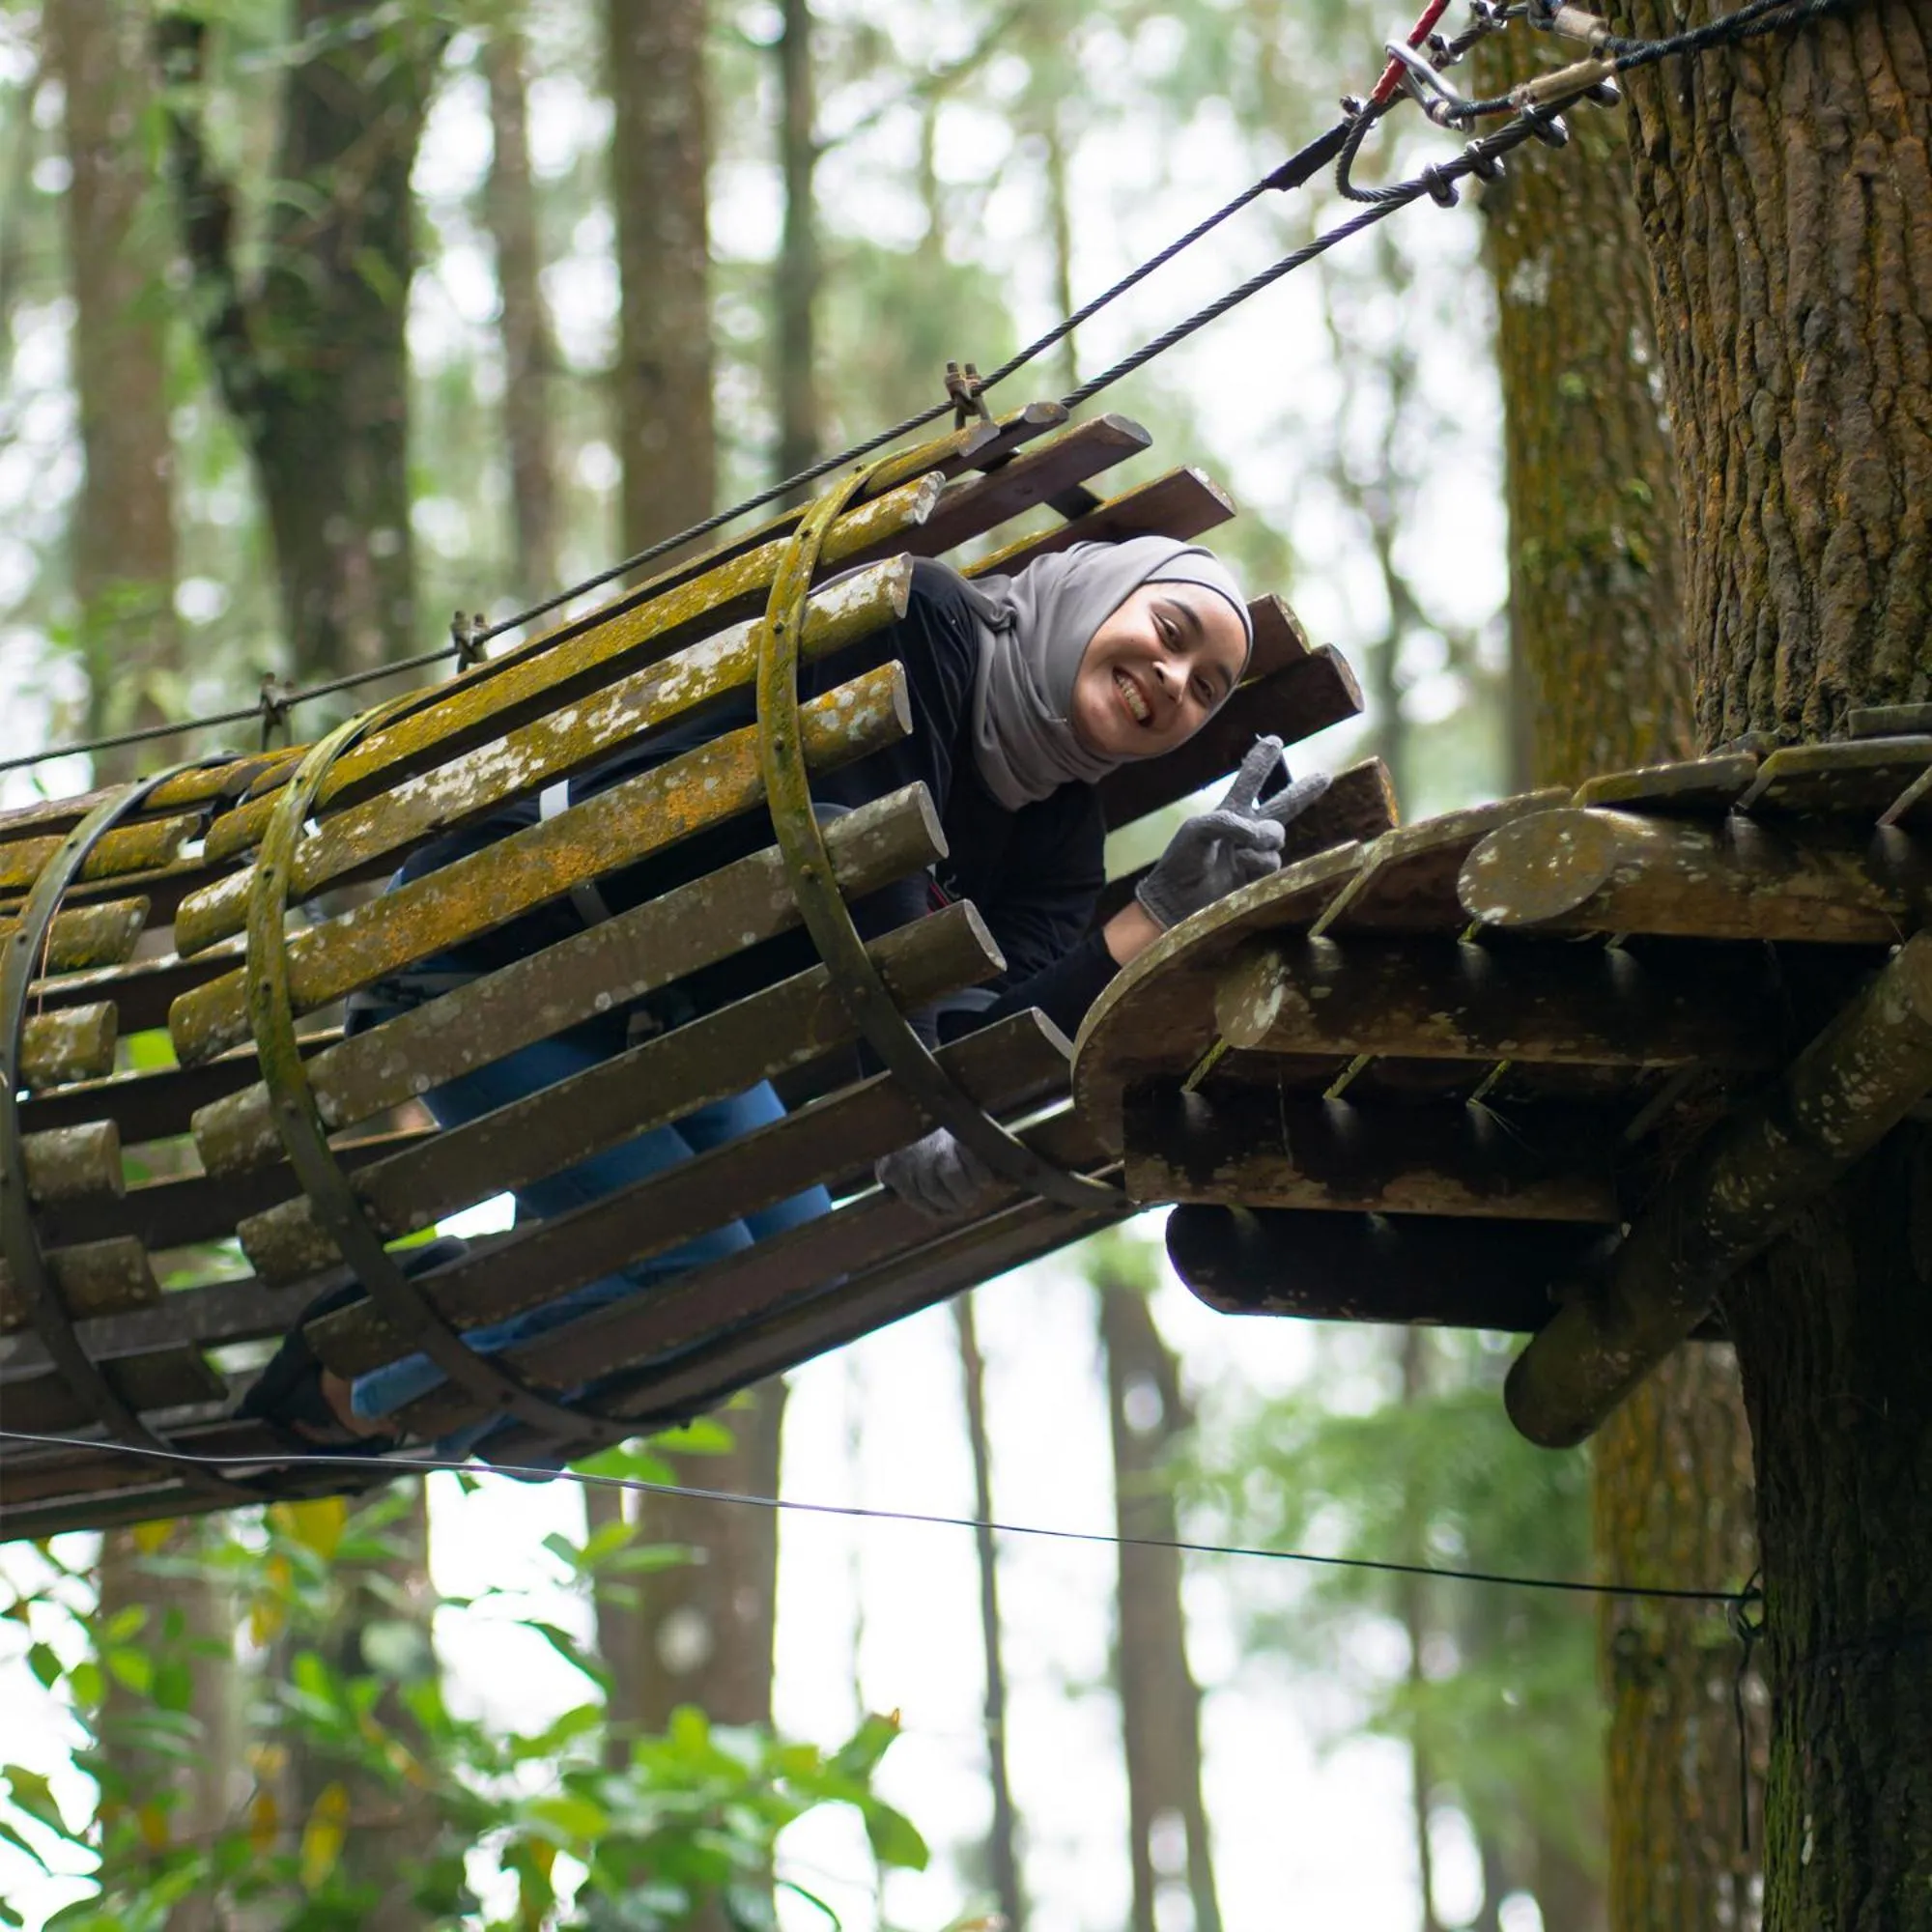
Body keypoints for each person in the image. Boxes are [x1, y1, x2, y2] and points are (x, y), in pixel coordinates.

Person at [242, 535, 1327, 1454]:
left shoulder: (1056, 839)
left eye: (1205, 689)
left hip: (670, 1028)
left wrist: (1149, 918)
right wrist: (911, 1095)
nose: (1172, 680)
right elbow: (848, 839)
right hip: (497, 969)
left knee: (796, 1263)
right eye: (1170, 631)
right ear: (1098, 594)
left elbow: (974, 1038)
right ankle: (360, 1396)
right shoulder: (921, 621)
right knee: (701, 1265)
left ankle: (453, 1324)